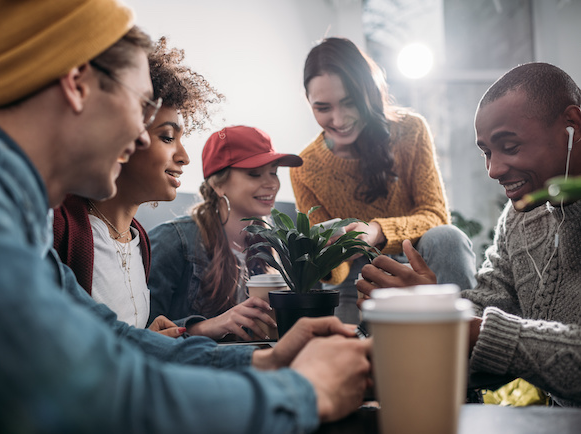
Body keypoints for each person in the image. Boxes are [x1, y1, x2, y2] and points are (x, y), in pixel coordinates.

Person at [0, 1, 374, 432]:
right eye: (143, 105)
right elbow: (91, 395)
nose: (139, 136)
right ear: (77, 83)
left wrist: (262, 359)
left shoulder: (8, 211)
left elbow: (112, 341)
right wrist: (304, 392)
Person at [358, 62, 581, 406]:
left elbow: (482, 334)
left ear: (573, 125)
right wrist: (424, 309)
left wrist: (457, 325)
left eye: (510, 146)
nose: (494, 170)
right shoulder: (519, 220)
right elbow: (488, 312)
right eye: (487, 153)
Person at [53, 36, 230, 338]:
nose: (185, 157)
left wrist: (149, 337)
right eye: (166, 137)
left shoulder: (139, 241)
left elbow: (119, 342)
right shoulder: (62, 227)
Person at [291, 37, 477, 323]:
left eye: (348, 102)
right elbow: (335, 274)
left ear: (369, 93)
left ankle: (469, 342)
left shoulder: (410, 131)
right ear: (308, 103)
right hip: (358, 277)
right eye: (323, 108)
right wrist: (329, 255)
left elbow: (436, 216)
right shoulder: (304, 167)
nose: (338, 120)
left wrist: (376, 231)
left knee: (448, 237)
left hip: (420, 265)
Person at [148, 125, 303, 340]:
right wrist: (202, 328)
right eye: (255, 174)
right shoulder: (172, 241)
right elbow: (142, 334)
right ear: (218, 184)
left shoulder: (271, 244)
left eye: (274, 172)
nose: (271, 184)